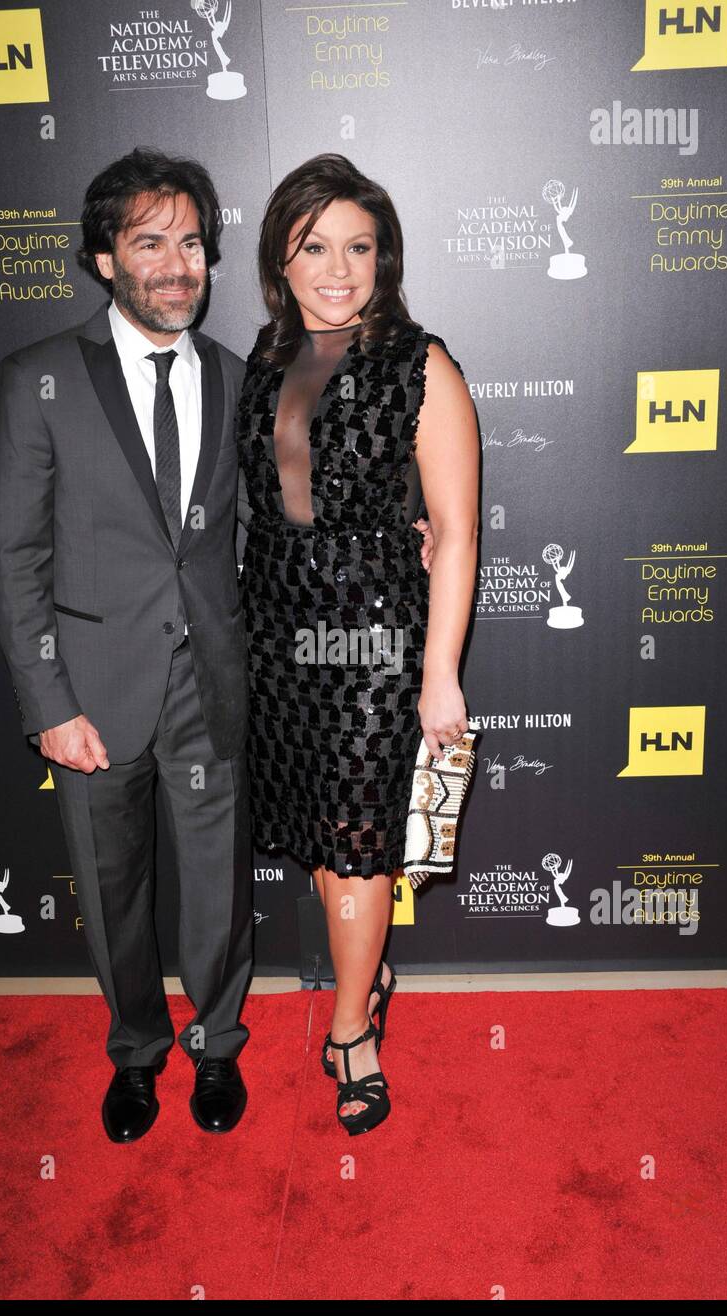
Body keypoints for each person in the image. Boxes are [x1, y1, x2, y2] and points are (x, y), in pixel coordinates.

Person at [0, 148, 255, 1144]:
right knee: (114, 889)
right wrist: (47, 704)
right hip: (95, 691)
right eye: (150, 242)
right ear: (104, 258)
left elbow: (260, 534)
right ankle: (137, 1049)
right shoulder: (39, 379)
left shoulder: (234, 378)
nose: (179, 264)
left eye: (191, 242)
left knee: (219, 883)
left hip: (212, 685)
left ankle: (217, 1043)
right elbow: (13, 558)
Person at [236, 153, 479, 1135]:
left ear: (386, 257)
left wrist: (440, 674)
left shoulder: (422, 365)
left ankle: (351, 1031)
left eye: (360, 247)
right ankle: (364, 968)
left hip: (375, 638)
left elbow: (456, 529)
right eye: (315, 247)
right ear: (280, 262)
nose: (340, 269)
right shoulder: (262, 358)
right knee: (324, 839)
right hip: (278, 632)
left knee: (364, 840)